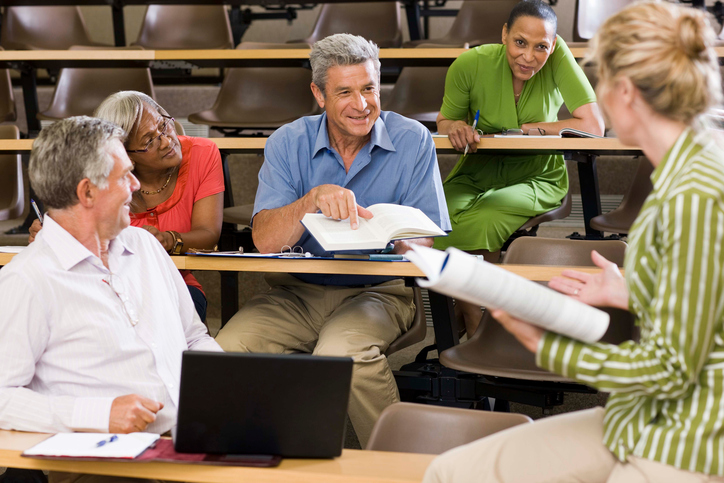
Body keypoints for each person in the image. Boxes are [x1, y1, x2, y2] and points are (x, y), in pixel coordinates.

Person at [423, 2, 724, 481]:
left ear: (623, 91)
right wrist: (631, 292)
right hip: (641, 418)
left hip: (687, 438)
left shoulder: (694, 195)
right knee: (451, 471)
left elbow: (669, 372)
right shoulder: (687, 167)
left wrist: (545, 346)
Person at [215, 33, 451, 447]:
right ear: (318, 94)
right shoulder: (288, 141)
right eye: (345, 92)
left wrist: (399, 239)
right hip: (296, 294)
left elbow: (422, 241)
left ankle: (402, 466)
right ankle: (240, 464)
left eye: (369, 89)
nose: (362, 105)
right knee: (224, 351)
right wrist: (310, 201)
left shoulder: (412, 138)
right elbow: (266, 241)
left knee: (342, 356)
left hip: (377, 292)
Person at [0, 116, 222, 483]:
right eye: (125, 176)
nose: (136, 185)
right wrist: (98, 414)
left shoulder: (146, 246)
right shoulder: (27, 280)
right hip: (99, 462)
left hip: (189, 443)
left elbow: (195, 338)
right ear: (87, 193)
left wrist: (232, 392)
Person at [434, 0, 605, 335]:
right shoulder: (470, 64)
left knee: (485, 218)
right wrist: (455, 127)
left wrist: (526, 129)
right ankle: (473, 315)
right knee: (437, 220)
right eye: (520, 43)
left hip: (538, 173)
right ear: (504, 35)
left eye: (541, 46)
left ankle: (477, 323)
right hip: (477, 170)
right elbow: (445, 119)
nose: (529, 56)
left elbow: (593, 126)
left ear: (552, 45)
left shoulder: (558, 57)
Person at [29, 91, 224, 322]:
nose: (166, 140)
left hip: (173, 285)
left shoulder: (202, 153)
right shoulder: (103, 179)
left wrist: (168, 239)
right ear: (124, 153)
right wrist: (53, 232)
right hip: (102, 286)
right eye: (149, 141)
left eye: (164, 125)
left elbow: (209, 234)